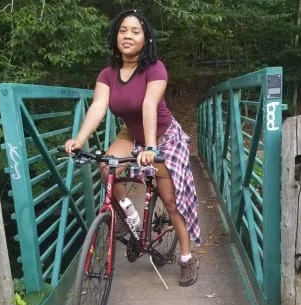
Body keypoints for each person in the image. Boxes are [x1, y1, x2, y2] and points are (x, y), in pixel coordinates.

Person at [64, 9, 201, 286]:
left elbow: (149, 105)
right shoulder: (108, 74)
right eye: (123, 30)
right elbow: (98, 106)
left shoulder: (155, 68)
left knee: (171, 202)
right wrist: (79, 139)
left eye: (135, 31)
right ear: (116, 36)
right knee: (107, 167)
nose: (128, 36)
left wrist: (150, 147)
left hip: (163, 137)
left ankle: (187, 258)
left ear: (145, 38)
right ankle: (130, 216)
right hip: (131, 133)